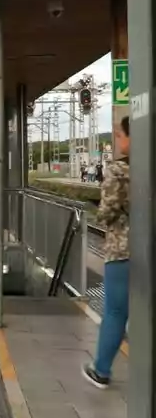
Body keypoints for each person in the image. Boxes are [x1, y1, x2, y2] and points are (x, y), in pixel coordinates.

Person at [84, 116, 131, 389]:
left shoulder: (119, 171)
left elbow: (107, 210)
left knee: (115, 311)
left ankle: (101, 369)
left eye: (121, 135)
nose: (119, 140)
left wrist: (101, 212)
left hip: (123, 250)